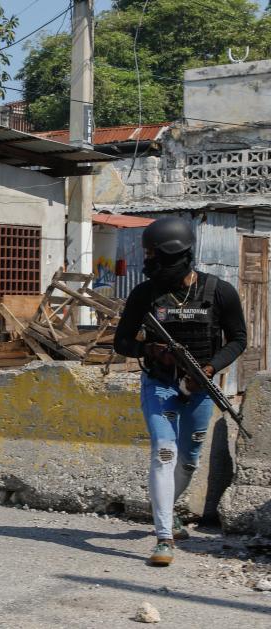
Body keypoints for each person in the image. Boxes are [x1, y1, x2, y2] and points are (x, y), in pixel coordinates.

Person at [113, 216, 246, 567]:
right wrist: (151, 350)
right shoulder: (145, 294)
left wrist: (209, 367)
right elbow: (123, 342)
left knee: (189, 459)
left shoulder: (219, 291)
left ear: (174, 254)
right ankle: (164, 538)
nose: (148, 262)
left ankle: (168, 512)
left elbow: (238, 340)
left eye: (153, 254)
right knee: (164, 453)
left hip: (201, 388)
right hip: (160, 385)